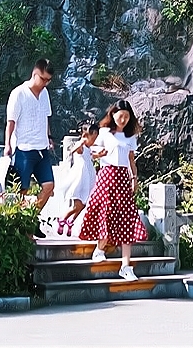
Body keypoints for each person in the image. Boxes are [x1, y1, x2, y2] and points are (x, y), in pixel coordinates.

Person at [77, 100, 148, 279]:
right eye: (120, 116)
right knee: (106, 213)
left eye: (126, 117)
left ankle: (126, 266)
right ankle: (99, 249)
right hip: (107, 176)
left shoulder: (130, 137)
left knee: (127, 219)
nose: (123, 120)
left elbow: (131, 159)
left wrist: (134, 178)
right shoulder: (104, 133)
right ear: (113, 114)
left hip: (123, 178)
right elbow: (89, 150)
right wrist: (97, 154)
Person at [2, 58, 55, 211]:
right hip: (24, 149)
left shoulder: (45, 94)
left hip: (42, 148)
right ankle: (18, 225)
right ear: (34, 74)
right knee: (21, 190)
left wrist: (49, 137)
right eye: (43, 79)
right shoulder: (19, 93)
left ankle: (31, 219)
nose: (45, 83)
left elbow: (46, 117)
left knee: (49, 186)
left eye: (48, 80)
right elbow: (11, 122)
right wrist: (7, 145)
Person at [41, 123, 98, 236]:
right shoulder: (81, 146)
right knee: (78, 204)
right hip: (80, 180)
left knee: (84, 204)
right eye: (94, 136)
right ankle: (63, 219)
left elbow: (92, 156)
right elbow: (73, 149)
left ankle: (70, 221)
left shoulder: (88, 148)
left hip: (88, 179)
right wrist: (80, 143)